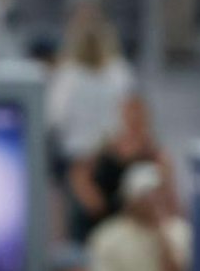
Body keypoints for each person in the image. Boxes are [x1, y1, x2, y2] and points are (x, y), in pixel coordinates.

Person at [86, 163, 192, 271]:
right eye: (146, 196)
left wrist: (161, 232)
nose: (152, 201)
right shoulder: (107, 235)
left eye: (156, 195)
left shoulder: (178, 232)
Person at [67, 95, 171, 240]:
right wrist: (92, 199)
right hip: (100, 218)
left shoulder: (155, 155)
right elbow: (78, 174)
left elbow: (168, 195)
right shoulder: (105, 146)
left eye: (138, 115)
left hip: (136, 224)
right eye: (130, 113)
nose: (134, 119)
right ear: (122, 115)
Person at [46, 5, 135, 165]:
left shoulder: (68, 75)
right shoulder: (121, 72)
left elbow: (55, 119)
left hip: (79, 156)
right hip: (109, 156)